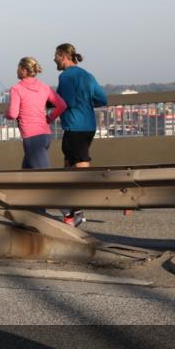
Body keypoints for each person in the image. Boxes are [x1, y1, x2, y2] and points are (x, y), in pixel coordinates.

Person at [54, 43, 107, 227]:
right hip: (89, 125)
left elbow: (65, 101)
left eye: (55, 56)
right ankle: (69, 207)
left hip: (74, 125)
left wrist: (51, 106)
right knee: (69, 161)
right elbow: (102, 99)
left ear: (63, 56)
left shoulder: (66, 77)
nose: (54, 60)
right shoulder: (87, 75)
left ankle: (79, 207)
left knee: (81, 163)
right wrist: (86, 104)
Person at [5, 57, 67, 170]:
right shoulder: (44, 87)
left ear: (23, 70)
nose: (17, 70)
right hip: (45, 135)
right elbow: (62, 105)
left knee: (44, 177)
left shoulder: (16, 89)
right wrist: (49, 118)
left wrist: (6, 114)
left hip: (32, 138)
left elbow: (13, 114)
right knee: (26, 175)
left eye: (18, 68)